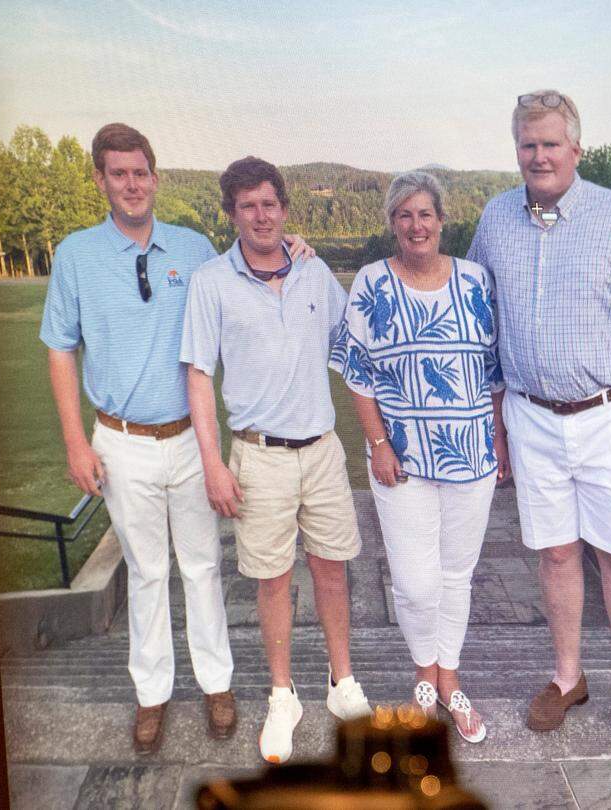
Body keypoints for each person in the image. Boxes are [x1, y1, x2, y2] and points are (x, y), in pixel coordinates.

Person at [40, 124, 313, 754]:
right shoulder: (76, 254)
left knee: (202, 566)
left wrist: (297, 245)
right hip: (121, 440)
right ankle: (152, 694)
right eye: (118, 173)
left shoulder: (192, 249)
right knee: (146, 571)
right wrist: (75, 444)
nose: (131, 184)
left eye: (141, 172)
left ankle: (217, 684)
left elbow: (254, 256)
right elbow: (60, 349)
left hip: (193, 438)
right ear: (101, 180)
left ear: (155, 178)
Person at [467, 90, 611, 767]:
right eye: (527, 145)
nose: (538, 155)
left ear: (576, 149)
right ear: (518, 151)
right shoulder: (497, 217)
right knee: (557, 553)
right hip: (530, 417)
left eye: (550, 143)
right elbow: (479, 315)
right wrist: (497, 418)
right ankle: (569, 678)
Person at [181, 156, 372, 765]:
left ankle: (342, 685)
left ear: (284, 209)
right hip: (257, 456)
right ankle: (283, 695)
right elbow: (198, 375)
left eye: (269, 204)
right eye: (247, 207)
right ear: (231, 215)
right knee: (272, 581)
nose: (261, 216)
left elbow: (355, 344)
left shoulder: (315, 274)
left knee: (332, 568)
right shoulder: (211, 282)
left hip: (322, 450)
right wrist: (213, 462)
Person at [330, 171, 508, 744]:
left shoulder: (477, 280)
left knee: (457, 576)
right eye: (404, 215)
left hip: (472, 457)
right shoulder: (372, 283)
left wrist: (499, 441)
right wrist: (378, 443)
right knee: (413, 582)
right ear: (392, 224)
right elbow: (358, 373)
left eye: (425, 214)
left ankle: (446, 680)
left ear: (441, 219)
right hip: (399, 462)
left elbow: (495, 370)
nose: (416, 225)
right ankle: (421, 675)